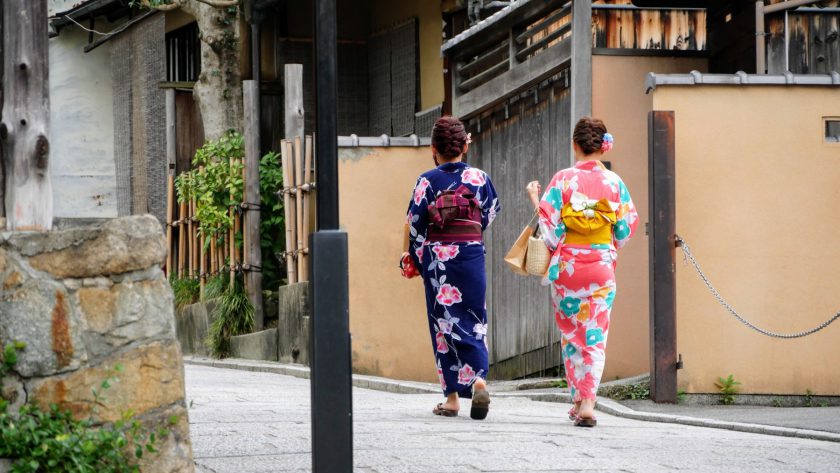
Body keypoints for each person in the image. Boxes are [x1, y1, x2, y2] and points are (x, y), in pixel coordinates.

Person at [525, 117, 638, 427]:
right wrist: (604, 245)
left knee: (571, 335)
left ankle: (577, 401)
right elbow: (626, 229)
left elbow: (549, 232)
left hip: (568, 267)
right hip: (600, 265)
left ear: (575, 145)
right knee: (595, 335)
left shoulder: (562, 179)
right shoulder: (615, 183)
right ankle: (588, 402)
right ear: (603, 147)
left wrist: (535, 197)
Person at [403, 116, 501, 420]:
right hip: (471, 254)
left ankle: (452, 398)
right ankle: (480, 380)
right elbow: (490, 213)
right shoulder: (479, 179)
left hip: (438, 260)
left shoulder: (427, 181)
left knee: (443, 325)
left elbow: (416, 225)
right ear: (465, 145)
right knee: (474, 319)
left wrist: (415, 258)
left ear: (434, 148)